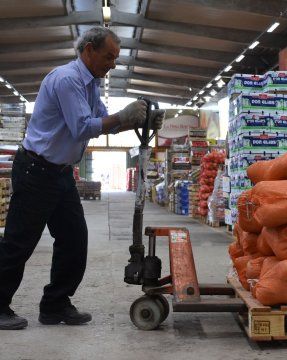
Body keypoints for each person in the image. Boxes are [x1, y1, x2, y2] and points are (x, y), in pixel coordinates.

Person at [0, 27, 165, 330]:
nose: (113, 63)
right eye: (109, 56)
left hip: (59, 174)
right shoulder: (67, 79)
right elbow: (81, 127)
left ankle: (55, 305)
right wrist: (123, 116)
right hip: (36, 171)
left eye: (116, 58)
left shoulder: (90, 84)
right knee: (18, 243)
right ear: (89, 50)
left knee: (74, 240)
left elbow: (103, 123)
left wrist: (136, 121)